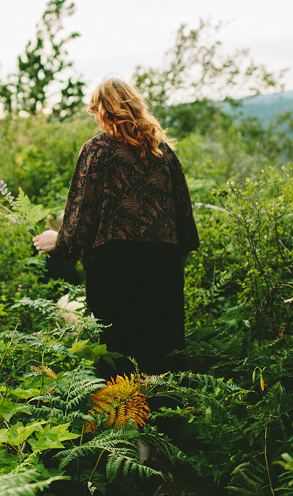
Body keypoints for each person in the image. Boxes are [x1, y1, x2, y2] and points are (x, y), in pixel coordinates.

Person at [32, 78, 200, 378]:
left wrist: (60, 240)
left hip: (115, 269)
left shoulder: (97, 151)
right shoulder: (163, 154)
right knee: (162, 356)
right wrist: (176, 263)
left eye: (95, 110)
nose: (95, 118)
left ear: (105, 111)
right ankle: (167, 422)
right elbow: (184, 218)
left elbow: (83, 212)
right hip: (164, 268)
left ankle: (121, 421)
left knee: (119, 355)